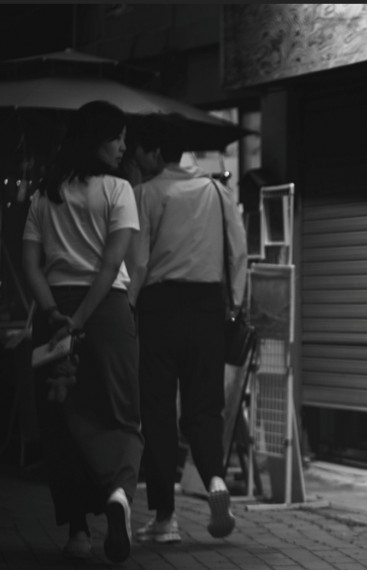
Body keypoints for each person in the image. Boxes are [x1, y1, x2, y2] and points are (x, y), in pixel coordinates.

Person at [21, 100, 143, 564]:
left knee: (63, 420)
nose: (123, 147)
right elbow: (113, 265)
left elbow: (29, 264)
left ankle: (77, 532)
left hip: (54, 313)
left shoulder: (43, 194)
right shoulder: (118, 190)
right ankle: (118, 494)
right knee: (118, 410)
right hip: (106, 311)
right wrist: (84, 317)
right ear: (97, 139)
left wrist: (55, 314)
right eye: (117, 138)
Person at [126, 114, 248, 543]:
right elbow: (238, 253)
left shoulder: (147, 193)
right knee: (205, 406)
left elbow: (138, 261)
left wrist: (130, 305)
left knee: (158, 410)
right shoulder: (217, 191)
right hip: (208, 307)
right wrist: (233, 304)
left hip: (160, 307)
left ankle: (165, 518)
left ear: (158, 151)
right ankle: (215, 479)